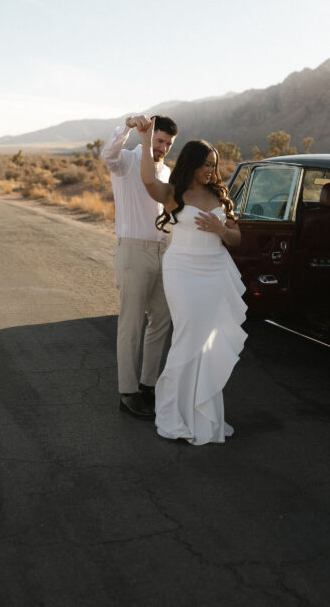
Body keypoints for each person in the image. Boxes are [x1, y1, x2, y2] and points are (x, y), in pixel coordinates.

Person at [139, 120, 246, 445]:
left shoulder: (218, 194)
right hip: (182, 270)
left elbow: (237, 238)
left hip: (214, 270)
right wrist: (145, 141)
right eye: (206, 165)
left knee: (206, 342)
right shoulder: (174, 193)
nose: (211, 171)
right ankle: (172, 413)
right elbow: (146, 180)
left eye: (214, 165)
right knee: (187, 337)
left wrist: (221, 231)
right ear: (192, 164)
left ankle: (202, 414)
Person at [101, 113, 178, 419]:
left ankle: (148, 385)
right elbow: (107, 154)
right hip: (133, 251)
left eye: (168, 144)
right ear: (150, 135)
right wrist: (127, 127)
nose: (163, 148)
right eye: (159, 141)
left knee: (161, 319)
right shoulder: (127, 162)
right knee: (131, 323)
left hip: (163, 250)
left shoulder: (168, 171)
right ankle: (127, 392)